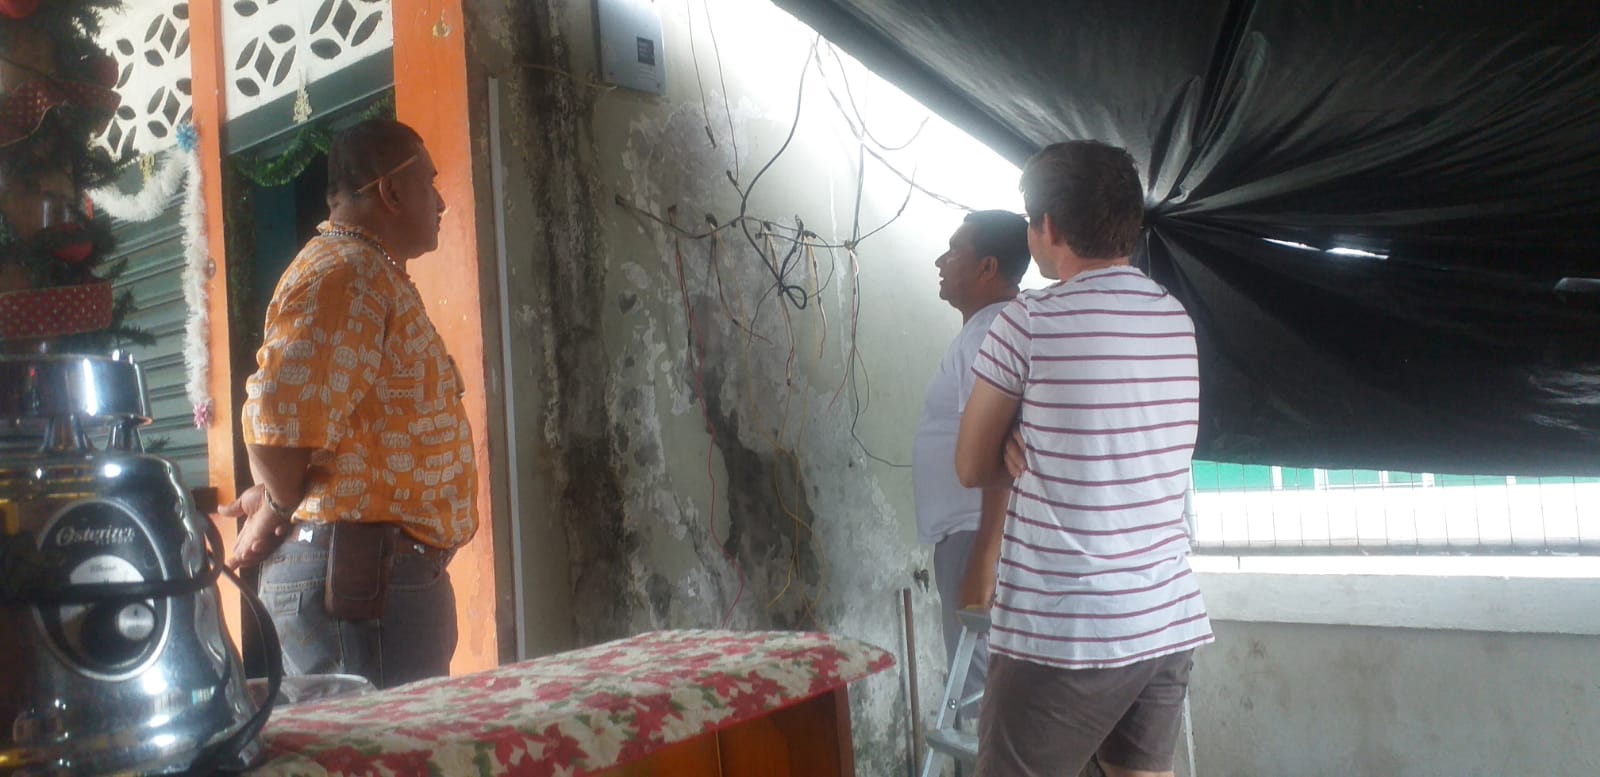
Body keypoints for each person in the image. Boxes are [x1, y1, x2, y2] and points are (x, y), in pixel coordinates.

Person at [955, 140, 1210, 777]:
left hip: (1062, 626)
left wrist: (1012, 441)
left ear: (1050, 227)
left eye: (1029, 220)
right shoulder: (1174, 318)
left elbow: (970, 466)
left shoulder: (1029, 320)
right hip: (1163, 614)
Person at [219, 118, 475, 690]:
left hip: (376, 581)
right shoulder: (345, 274)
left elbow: (320, 425)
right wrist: (275, 508)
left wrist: (275, 499)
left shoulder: (367, 272)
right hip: (360, 583)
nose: (440, 202)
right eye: (430, 184)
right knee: (383, 741)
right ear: (391, 191)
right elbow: (275, 426)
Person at [912, 209, 1030, 723]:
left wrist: (984, 555)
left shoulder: (991, 331)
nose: (941, 261)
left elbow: (1000, 449)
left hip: (977, 535)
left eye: (954, 251)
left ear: (987, 267)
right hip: (972, 533)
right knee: (985, 692)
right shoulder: (988, 329)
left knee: (980, 698)